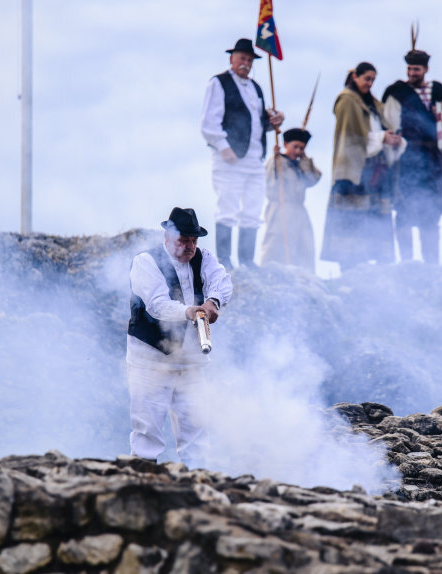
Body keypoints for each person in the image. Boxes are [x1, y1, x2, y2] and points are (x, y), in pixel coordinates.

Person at [126, 207, 233, 467]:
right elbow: (157, 305)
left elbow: (222, 281)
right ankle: (142, 480)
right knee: (147, 430)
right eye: (183, 240)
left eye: (193, 240)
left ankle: (196, 482)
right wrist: (190, 311)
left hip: (190, 360)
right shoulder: (146, 262)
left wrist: (212, 302)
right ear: (167, 237)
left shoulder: (203, 257)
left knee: (195, 429)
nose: (189, 246)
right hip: (151, 360)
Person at [200, 38, 285, 270]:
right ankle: (225, 261)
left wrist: (274, 121)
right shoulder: (219, 83)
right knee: (227, 206)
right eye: (242, 58)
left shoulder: (256, 88)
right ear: (232, 58)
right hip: (229, 157)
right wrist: (224, 148)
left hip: (254, 158)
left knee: (253, 208)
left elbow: (257, 124)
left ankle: (247, 260)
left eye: (249, 59)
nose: (245, 63)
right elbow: (209, 123)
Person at [321, 62, 405, 271]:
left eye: (373, 80)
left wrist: (391, 138)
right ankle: (349, 271)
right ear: (355, 77)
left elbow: (384, 126)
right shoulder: (348, 101)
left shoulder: (373, 105)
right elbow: (351, 138)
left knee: (375, 220)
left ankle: (375, 273)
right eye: (366, 78)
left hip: (376, 172)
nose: (369, 83)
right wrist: (381, 138)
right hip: (354, 173)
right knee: (352, 223)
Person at [382, 48, 442, 263]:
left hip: (434, 160)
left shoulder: (440, 91)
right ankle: (407, 263)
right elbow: (388, 123)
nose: (412, 73)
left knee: (431, 212)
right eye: (410, 68)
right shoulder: (397, 92)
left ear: (426, 69)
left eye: (416, 69)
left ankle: (432, 264)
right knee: (404, 210)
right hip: (407, 157)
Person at [260, 128, 322, 272]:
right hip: (280, 207)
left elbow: (313, 179)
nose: (298, 151)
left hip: (298, 209)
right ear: (286, 144)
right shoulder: (276, 161)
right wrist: (275, 159)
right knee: (276, 242)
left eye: (302, 148)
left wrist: (305, 159)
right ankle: (269, 273)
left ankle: (303, 276)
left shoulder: (301, 164)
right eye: (295, 147)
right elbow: (268, 183)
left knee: (304, 244)